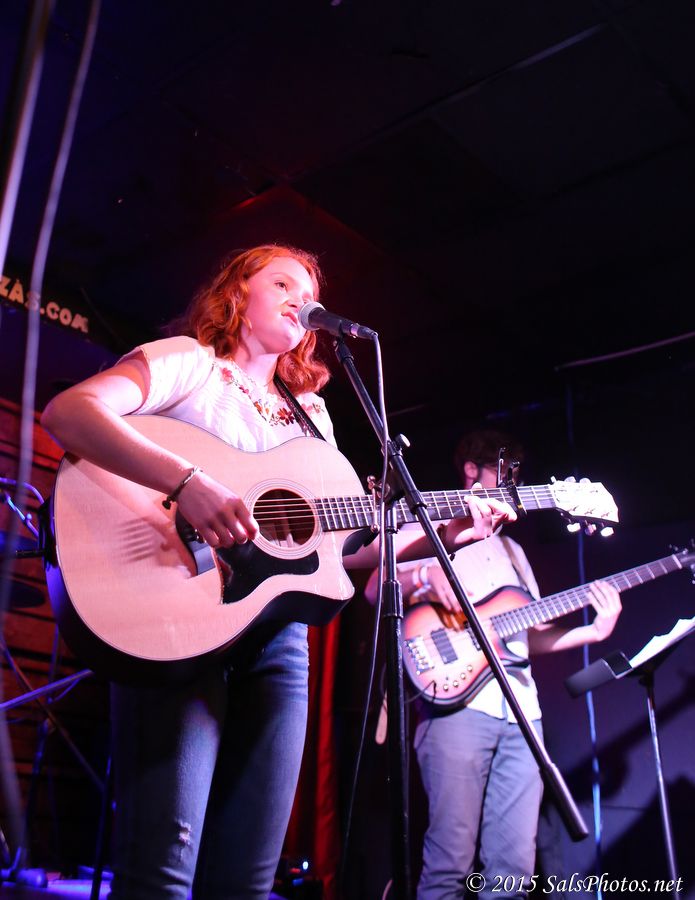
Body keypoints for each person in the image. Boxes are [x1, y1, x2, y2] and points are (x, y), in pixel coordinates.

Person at [40, 246, 517, 900]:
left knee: (247, 877)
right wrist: (187, 482)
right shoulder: (188, 362)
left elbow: (335, 554)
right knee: (163, 871)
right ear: (238, 291)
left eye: (310, 292)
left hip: (278, 645)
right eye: (283, 283)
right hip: (177, 620)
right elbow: (70, 413)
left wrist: (447, 534)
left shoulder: (311, 416)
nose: (301, 299)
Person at [365, 429, 623, 900]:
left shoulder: (514, 553)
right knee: (449, 864)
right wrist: (424, 573)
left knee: (513, 872)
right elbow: (371, 587)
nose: (513, 484)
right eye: (503, 472)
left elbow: (524, 637)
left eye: (517, 476)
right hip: (456, 708)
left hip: (523, 713)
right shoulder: (428, 523)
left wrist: (593, 632)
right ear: (471, 470)